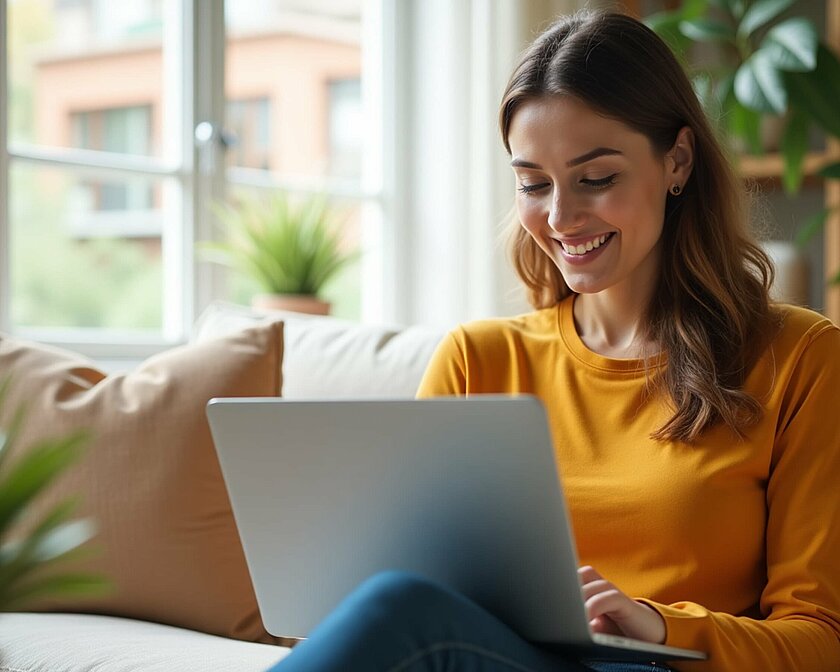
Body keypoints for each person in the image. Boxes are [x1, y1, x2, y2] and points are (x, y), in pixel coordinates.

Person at [267, 10, 840, 672]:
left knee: (401, 612)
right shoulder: (479, 360)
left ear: (677, 161)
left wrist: (656, 625)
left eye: (596, 178)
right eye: (534, 184)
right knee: (396, 602)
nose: (561, 217)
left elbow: (821, 637)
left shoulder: (801, 357)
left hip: (662, 668)